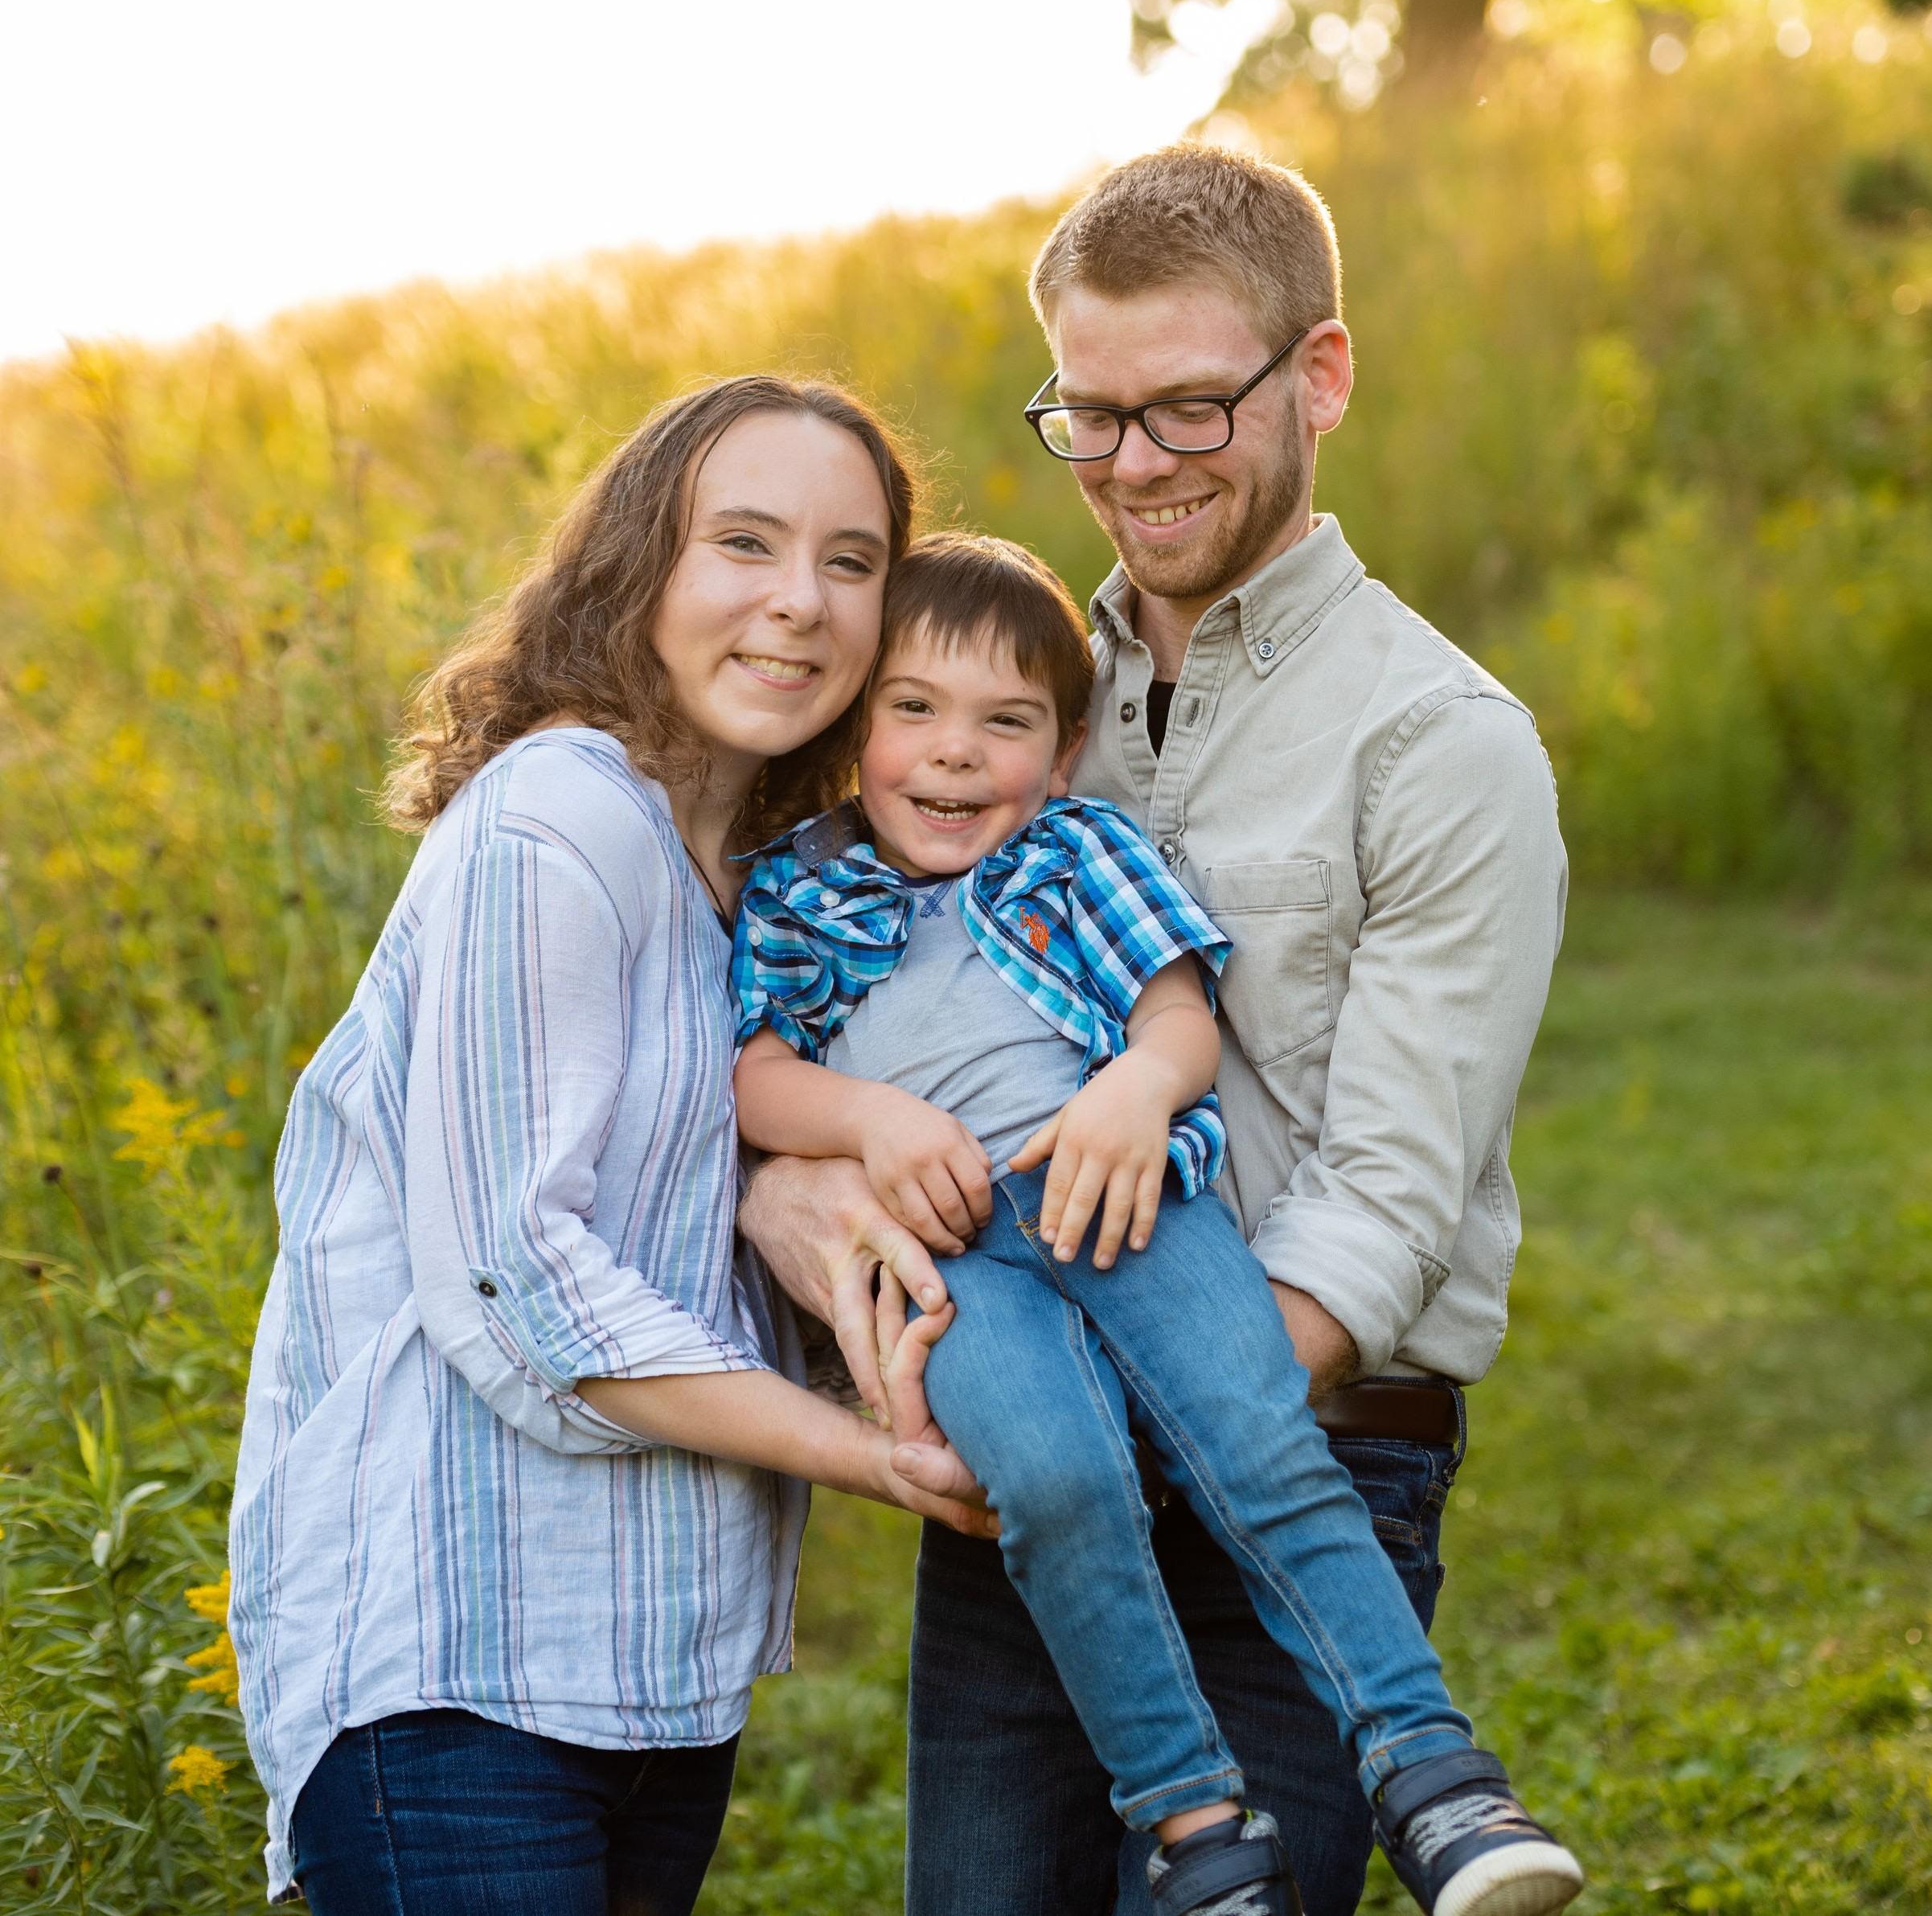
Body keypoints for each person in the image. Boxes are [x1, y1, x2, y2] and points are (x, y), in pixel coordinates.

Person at [736, 144, 1570, 1916]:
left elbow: (1389, 1197)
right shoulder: (1003, 686)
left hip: (1307, 1440)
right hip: (1035, 1433)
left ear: (1318, 376)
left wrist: (1166, 1411)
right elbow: (822, 1003)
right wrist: (793, 1197)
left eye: (1188, 409)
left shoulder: (1441, 742)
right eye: (1090, 416)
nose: (1131, 466)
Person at [227, 375, 991, 1916]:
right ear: (639, 565)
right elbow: (519, 1280)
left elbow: (692, 1232)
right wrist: (866, 1454)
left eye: (850, 562)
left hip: (655, 1675)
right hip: (457, 1674)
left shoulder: (763, 897)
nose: (801, 601)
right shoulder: (554, 819)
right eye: (746, 543)